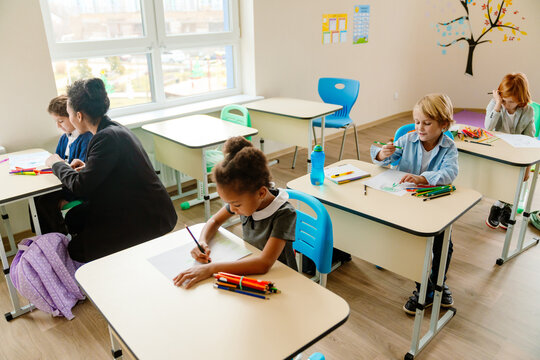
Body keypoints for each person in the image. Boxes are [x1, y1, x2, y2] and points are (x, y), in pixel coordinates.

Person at [45, 78, 177, 262]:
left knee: (76, 250)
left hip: (146, 216)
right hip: (133, 205)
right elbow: (116, 169)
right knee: (74, 218)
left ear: (79, 116)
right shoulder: (112, 129)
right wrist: (87, 167)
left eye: (68, 114)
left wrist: (56, 163)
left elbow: (80, 187)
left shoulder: (105, 138)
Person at [370, 93, 458, 314]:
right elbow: (384, 159)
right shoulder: (407, 139)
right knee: (416, 245)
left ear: (444, 125)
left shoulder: (449, 147)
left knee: (443, 243)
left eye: (427, 123)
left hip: (432, 203)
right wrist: (382, 154)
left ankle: (436, 284)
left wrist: (424, 178)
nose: (420, 128)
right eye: (417, 121)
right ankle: (424, 287)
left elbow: (450, 172)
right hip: (404, 201)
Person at [173, 136, 296, 289]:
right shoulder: (246, 201)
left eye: (236, 204)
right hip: (250, 266)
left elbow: (264, 264)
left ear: (261, 193)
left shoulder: (284, 214)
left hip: (282, 279)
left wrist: (211, 268)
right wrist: (203, 241)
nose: (232, 209)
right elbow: (214, 221)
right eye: (229, 203)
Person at [32, 96, 93, 234]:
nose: (58, 126)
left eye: (61, 121)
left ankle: (57, 237)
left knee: (43, 201)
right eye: (56, 122)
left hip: (75, 189)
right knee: (37, 199)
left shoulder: (86, 139)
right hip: (63, 183)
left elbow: (79, 173)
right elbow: (56, 159)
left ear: (74, 117)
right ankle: (45, 238)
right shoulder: (65, 138)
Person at [485, 72, 535, 230]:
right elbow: (488, 127)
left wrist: (527, 167)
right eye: (503, 100)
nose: (506, 104)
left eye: (510, 102)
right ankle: (503, 206)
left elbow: (529, 141)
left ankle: (501, 206)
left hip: (517, 153)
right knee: (503, 179)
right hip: (498, 151)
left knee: (517, 179)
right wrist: (498, 105)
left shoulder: (528, 111)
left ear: (520, 100)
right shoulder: (495, 104)